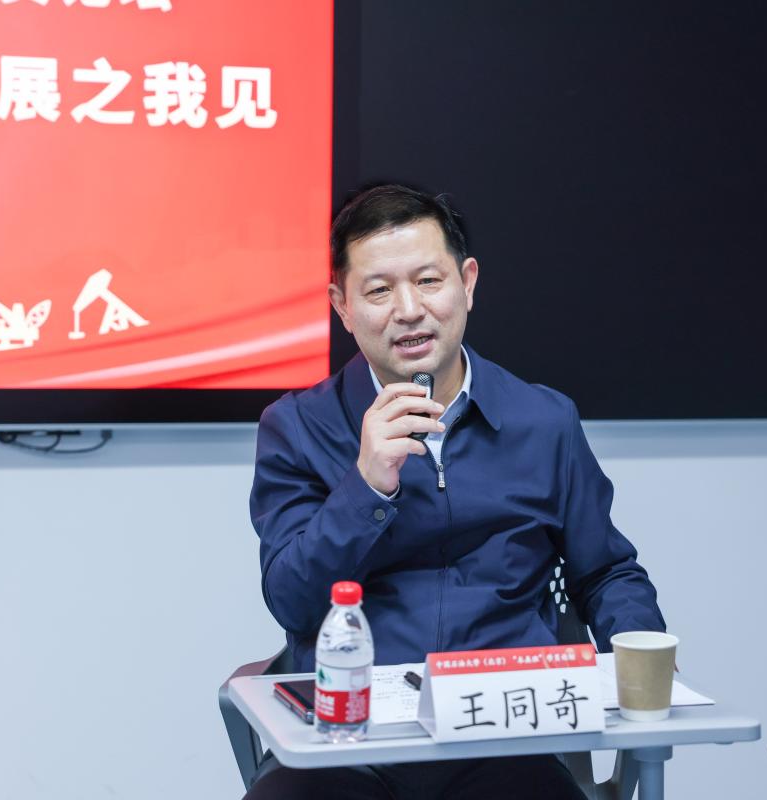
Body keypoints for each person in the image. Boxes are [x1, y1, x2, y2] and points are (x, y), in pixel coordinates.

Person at [244, 184, 665, 799]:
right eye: (379, 290)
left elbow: (605, 571)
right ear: (342, 306)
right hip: (350, 741)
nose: (408, 309)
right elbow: (292, 601)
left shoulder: (544, 421)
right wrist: (366, 486)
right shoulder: (298, 427)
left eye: (428, 281)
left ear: (467, 283)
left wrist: (642, 652)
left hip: (500, 735)